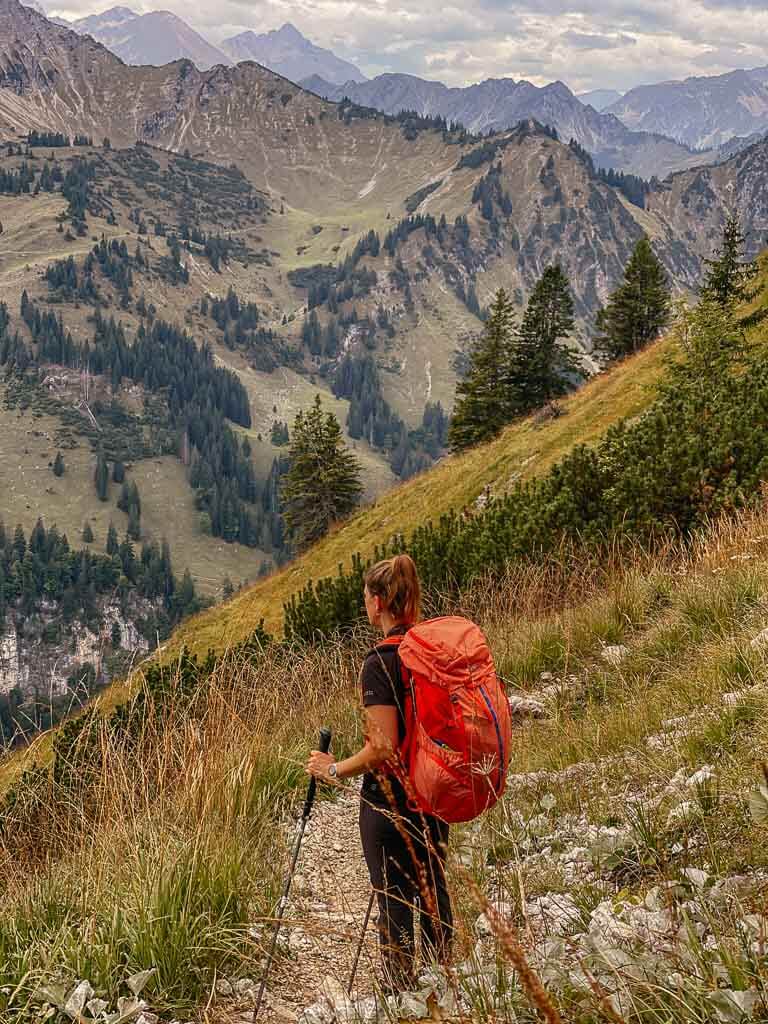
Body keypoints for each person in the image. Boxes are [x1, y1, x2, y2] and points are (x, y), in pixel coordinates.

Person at [306, 554, 453, 992]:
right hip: (434, 790)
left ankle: (399, 994)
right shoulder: (432, 651)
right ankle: (444, 981)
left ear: (378, 601)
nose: (365, 605)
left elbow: (382, 747)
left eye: (366, 598)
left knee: (393, 901)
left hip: (388, 802)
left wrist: (332, 767)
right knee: (433, 888)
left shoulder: (379, 662)